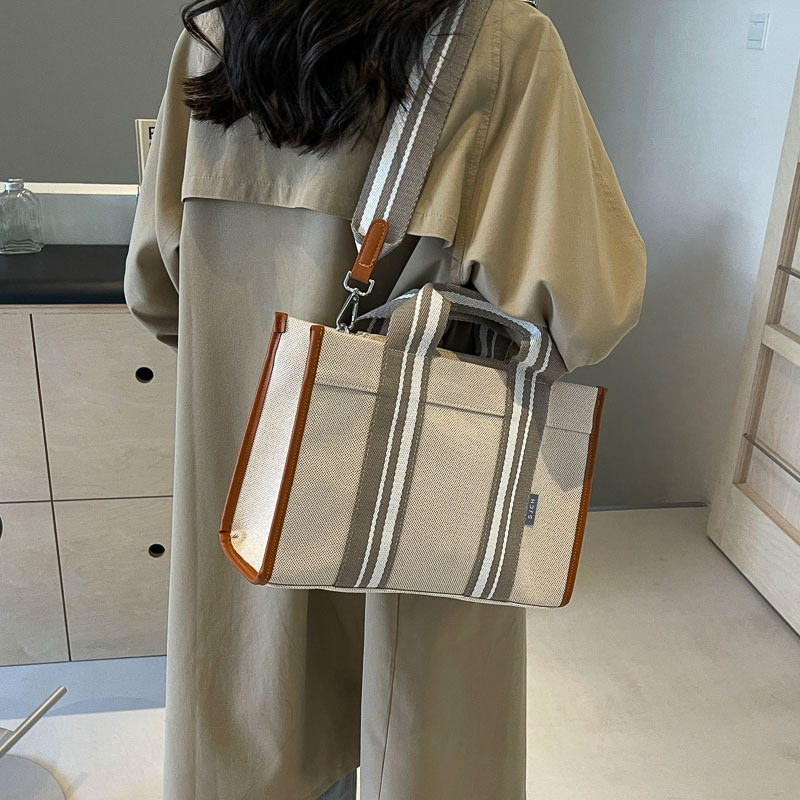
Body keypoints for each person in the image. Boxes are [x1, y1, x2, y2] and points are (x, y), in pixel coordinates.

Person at [124, 0, 647, 798]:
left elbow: (155, 291)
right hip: (425, 488)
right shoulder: (504, 41)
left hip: (244, 473)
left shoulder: (216, 40)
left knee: (255, 707)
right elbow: (585, 306)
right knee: (421, 727)